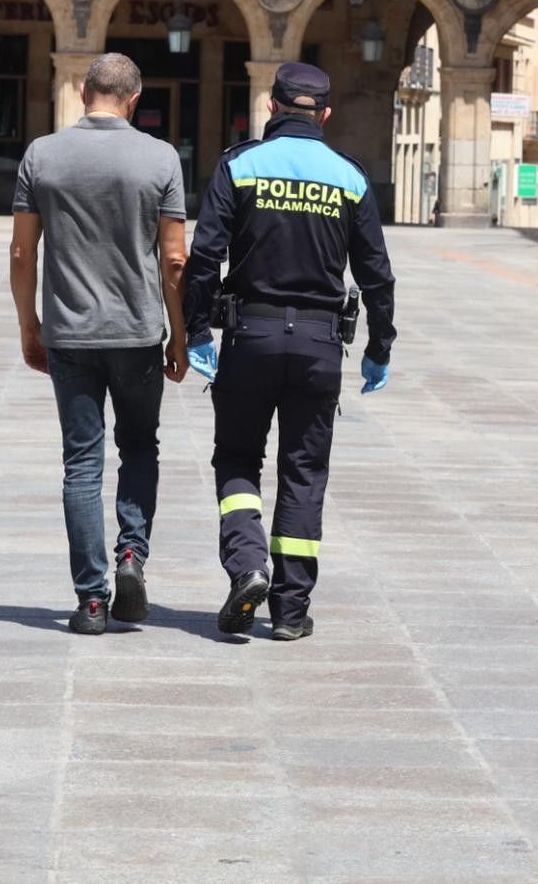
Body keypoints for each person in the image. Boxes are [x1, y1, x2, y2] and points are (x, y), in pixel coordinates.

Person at [182, 62, 396, 641]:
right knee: (303, 470)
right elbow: (376, 274)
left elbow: (204, 258)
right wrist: (380, 346)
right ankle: (291, 612)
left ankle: (247, 566)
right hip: (319, 346)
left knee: (237, 458)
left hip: (250, 336)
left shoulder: (240, 165)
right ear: (325, 114)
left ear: (271, 106)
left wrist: (196, 330)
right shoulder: (349, 177)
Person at [9, 53, 189, 635]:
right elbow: (175, 259)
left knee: (81, 462)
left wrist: (29, 326)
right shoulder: (161, 157)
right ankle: (131, 553)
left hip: (70, 333)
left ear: (84, 92)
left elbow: (22, 252)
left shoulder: (41, 155)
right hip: (138, 333)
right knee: (139, 447)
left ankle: (91, 600)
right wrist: (179, 333)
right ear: (134, 100)